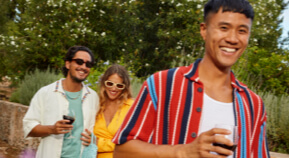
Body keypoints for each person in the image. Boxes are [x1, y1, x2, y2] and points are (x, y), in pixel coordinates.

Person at [112, 0, 270, 157]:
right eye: (224, 28)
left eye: (242, 31)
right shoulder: (162, 84)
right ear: (204, 30)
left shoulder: (254, 104)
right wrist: (182, 152)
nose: (232, 39)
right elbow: (122, 152)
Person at [23, 46, 99, 158]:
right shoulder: (46, 93)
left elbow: (98, 128)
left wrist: (93, 139)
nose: (83, 67)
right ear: (68, 64)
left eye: (88, 64)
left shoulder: (93, 97)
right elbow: (29, 127)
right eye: (79, 62)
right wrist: (52, 129)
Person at [93, 64, 134, 158]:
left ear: (125, 87)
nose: (114, 88)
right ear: (104, 83)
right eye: (110, 83)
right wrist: (115, 144)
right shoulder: (95, 104)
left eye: (119, 85)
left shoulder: (132, 107)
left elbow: (131, 144)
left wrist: (98, 144)